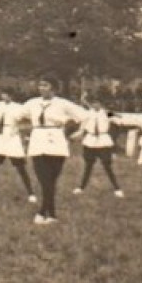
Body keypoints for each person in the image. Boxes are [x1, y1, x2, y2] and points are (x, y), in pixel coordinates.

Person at [21, 79, 88, 225]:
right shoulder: (32, 103)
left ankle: (49, 213)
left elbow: (85, 115)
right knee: (44, 178)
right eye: (40, 85)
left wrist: (80, 132)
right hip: (38, 140)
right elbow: (16, 114)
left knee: (51, 179)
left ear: (54, 89)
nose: (41, 88)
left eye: (45, 85)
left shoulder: (63, 104)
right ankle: (45, 212)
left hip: (57, 141)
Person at [72, 94, 125, 197]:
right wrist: (76, 134)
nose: (95, 105)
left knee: (107, 166)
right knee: (88, 166)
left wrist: (109, 112)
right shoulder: (87, 114)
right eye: (93, 103)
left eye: (98, 103)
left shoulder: (106, 113)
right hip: (90, 141)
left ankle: (117, 189)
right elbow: (82, 128)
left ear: (101, 104)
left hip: (103, 141)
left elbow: (120, 118)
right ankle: (81, 187)